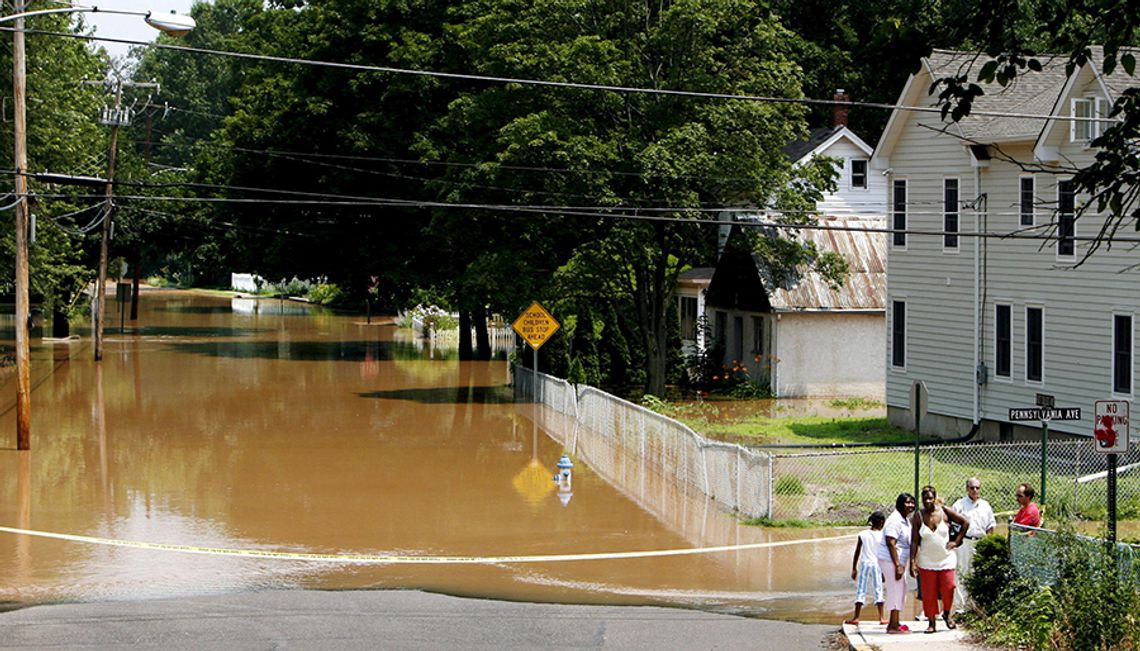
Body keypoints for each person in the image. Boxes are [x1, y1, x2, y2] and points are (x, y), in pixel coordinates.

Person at [910, 485, 969, 633]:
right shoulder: (918, 516)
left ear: (935, 498)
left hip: (946, 559)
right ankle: (931, 622)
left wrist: (956, 541)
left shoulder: (944, 512)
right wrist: (912, 561)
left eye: (930, 498)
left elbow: (965, 523)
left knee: (948, 588)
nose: (927, 501)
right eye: (925, 499)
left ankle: (947, 615)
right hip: (927, 560)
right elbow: (914, 541)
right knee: (928, 593)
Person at [951, 477, 997, 608]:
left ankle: (975, 605)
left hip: (980, 542)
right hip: (964, 542)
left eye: (977, 488)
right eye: (972, 488)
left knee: (976, 572)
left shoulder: (985, 506)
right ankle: (961, 607)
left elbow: (991, 526)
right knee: (962, 572)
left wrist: (988, 543)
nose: (975, 490)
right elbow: (952, 524)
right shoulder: (959, 505)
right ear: (967, 489)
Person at [876, 492, 916, 634]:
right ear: (899, 503)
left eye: (912, 502)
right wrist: (898, 565)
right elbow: (890, 542)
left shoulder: (904, 520)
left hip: (898, 560)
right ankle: (892, 626)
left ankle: (896, 621)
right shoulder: (895, 520)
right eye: (907, 502)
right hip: (891, 560)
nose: (910, 505)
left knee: (901, 588)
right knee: (895, 589)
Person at [846, 511, 886, 626]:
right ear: (881, 522)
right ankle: (882, 618)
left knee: (861, 589)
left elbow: (857, 552)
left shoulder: (863, 534)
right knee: (878, 589)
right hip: (877, 564)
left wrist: (854, 568)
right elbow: (883, 554)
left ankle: (856, 617)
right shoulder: (882, 536)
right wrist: (884, 571)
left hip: (865, 563)